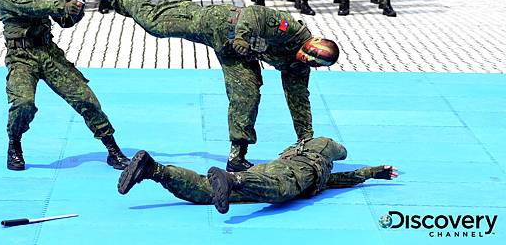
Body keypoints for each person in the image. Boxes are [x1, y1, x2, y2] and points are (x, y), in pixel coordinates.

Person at [79, 0, 341, 172]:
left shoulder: (299, 67)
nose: (302, 59)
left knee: (246, 95)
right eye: (305, 54)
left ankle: (236, 156)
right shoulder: (289, 29)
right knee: (154, 24)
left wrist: (305, 137)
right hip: (220, 25)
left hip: (239, 54)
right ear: (311, 42)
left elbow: (299, 101)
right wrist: (242, 36)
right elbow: (254, 14)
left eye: (309, 62)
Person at [0, 0, 129, 171]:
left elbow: (65, 20)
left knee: (85, 98)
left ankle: (113, 150)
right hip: (22, 57)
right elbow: (32, 7)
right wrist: (62, 4)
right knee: (23, 103)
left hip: (48, 52)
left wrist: (76, 5)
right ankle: (14, 144)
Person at [118, 137, 398, 214]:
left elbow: (339, 179)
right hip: (290, 173)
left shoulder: (318, 172)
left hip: (268, 170)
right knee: (280, 191)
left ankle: (154, 169)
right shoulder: (319, 157)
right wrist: (368, 171)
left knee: (205, 192)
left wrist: (373, 173)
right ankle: (233, 179)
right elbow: (340, 155)